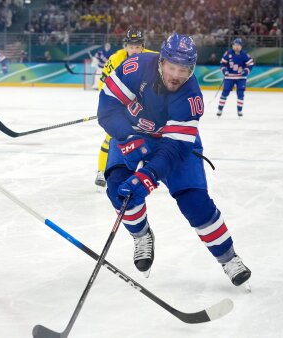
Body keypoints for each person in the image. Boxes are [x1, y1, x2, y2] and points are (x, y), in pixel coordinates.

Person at [97, 33, 251, 287]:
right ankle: (141, 235)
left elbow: (175, 148)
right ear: (161, 62)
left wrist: (148, 175)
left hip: (173, 145)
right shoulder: (133, 67)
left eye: (184, 69)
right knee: (117, 188)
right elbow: (107, 109)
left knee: (195, 203)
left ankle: (228, 258)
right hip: (131, 135)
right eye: (172, 67)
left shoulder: (191, 97)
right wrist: (126, 137)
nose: (176, 75)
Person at [95, 29, 154, 188]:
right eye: (131, 46)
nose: (134, 50)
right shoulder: (115, 59)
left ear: (142, 46)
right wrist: (114, 105)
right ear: (125, 46)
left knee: (147, 136)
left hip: (143, 108)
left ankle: (146, 172)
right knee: (110, 136)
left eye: (137, 46)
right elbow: (103, 84)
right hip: (121, 105)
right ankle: (101, 170)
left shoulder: (153, 58)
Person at [217, 38, 254, 118]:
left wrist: (246, 71)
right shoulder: (228, 54)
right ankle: (220, 109)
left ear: (241, 46)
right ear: (233, 45)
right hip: (229, 77)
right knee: (225, 92)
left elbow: (250, 64)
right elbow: (222, 64)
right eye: (235, 45)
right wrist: (225, 71)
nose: (237, 47)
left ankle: (239, 110)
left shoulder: (245, 55)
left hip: (241, 78)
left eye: (238, 45)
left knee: (240, 93)